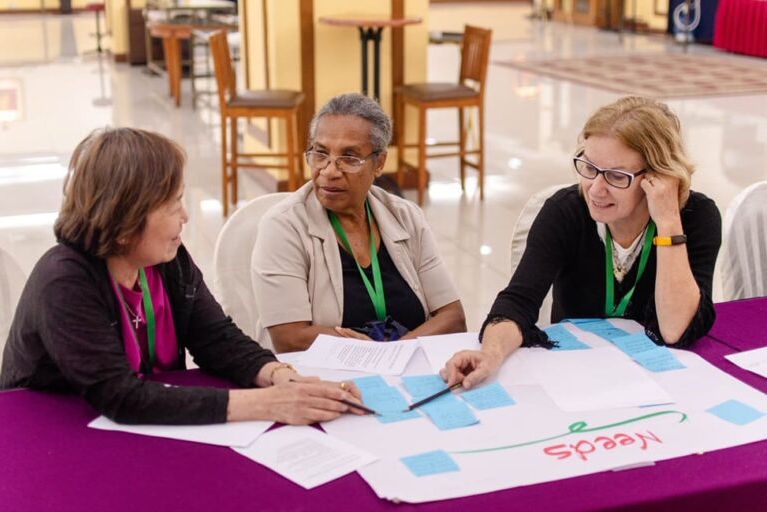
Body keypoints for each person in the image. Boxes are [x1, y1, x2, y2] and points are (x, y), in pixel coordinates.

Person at [0, 127, 363, 425]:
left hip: (143, 417)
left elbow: (215, 338)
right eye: (173, 203)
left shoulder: (165, 259)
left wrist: (282, 377)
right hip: (53, 427)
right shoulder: (64, 282)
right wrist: (268, 404)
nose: (186, 216)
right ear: (125, 219)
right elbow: (118, 396)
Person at [442, 96, 721, 389]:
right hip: (576, 377)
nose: (596, 190)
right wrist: (490, 355)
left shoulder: (695, 217)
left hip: (663, 379)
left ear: (658, 176)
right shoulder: (565, 212)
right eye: (589, 167)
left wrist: (668, 223)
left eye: (616, 176)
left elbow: (676, 329)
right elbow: (517, 303)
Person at [252, 93, 466, 352]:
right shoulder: (283, 227)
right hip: (321, 372)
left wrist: (392, 354)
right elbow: (289, 338)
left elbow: (452, 317)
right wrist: (373, 354)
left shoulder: (405, 216)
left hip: (408, 366)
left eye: (349, 158)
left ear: (379, 163)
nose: (329, 171)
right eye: (320, 153)